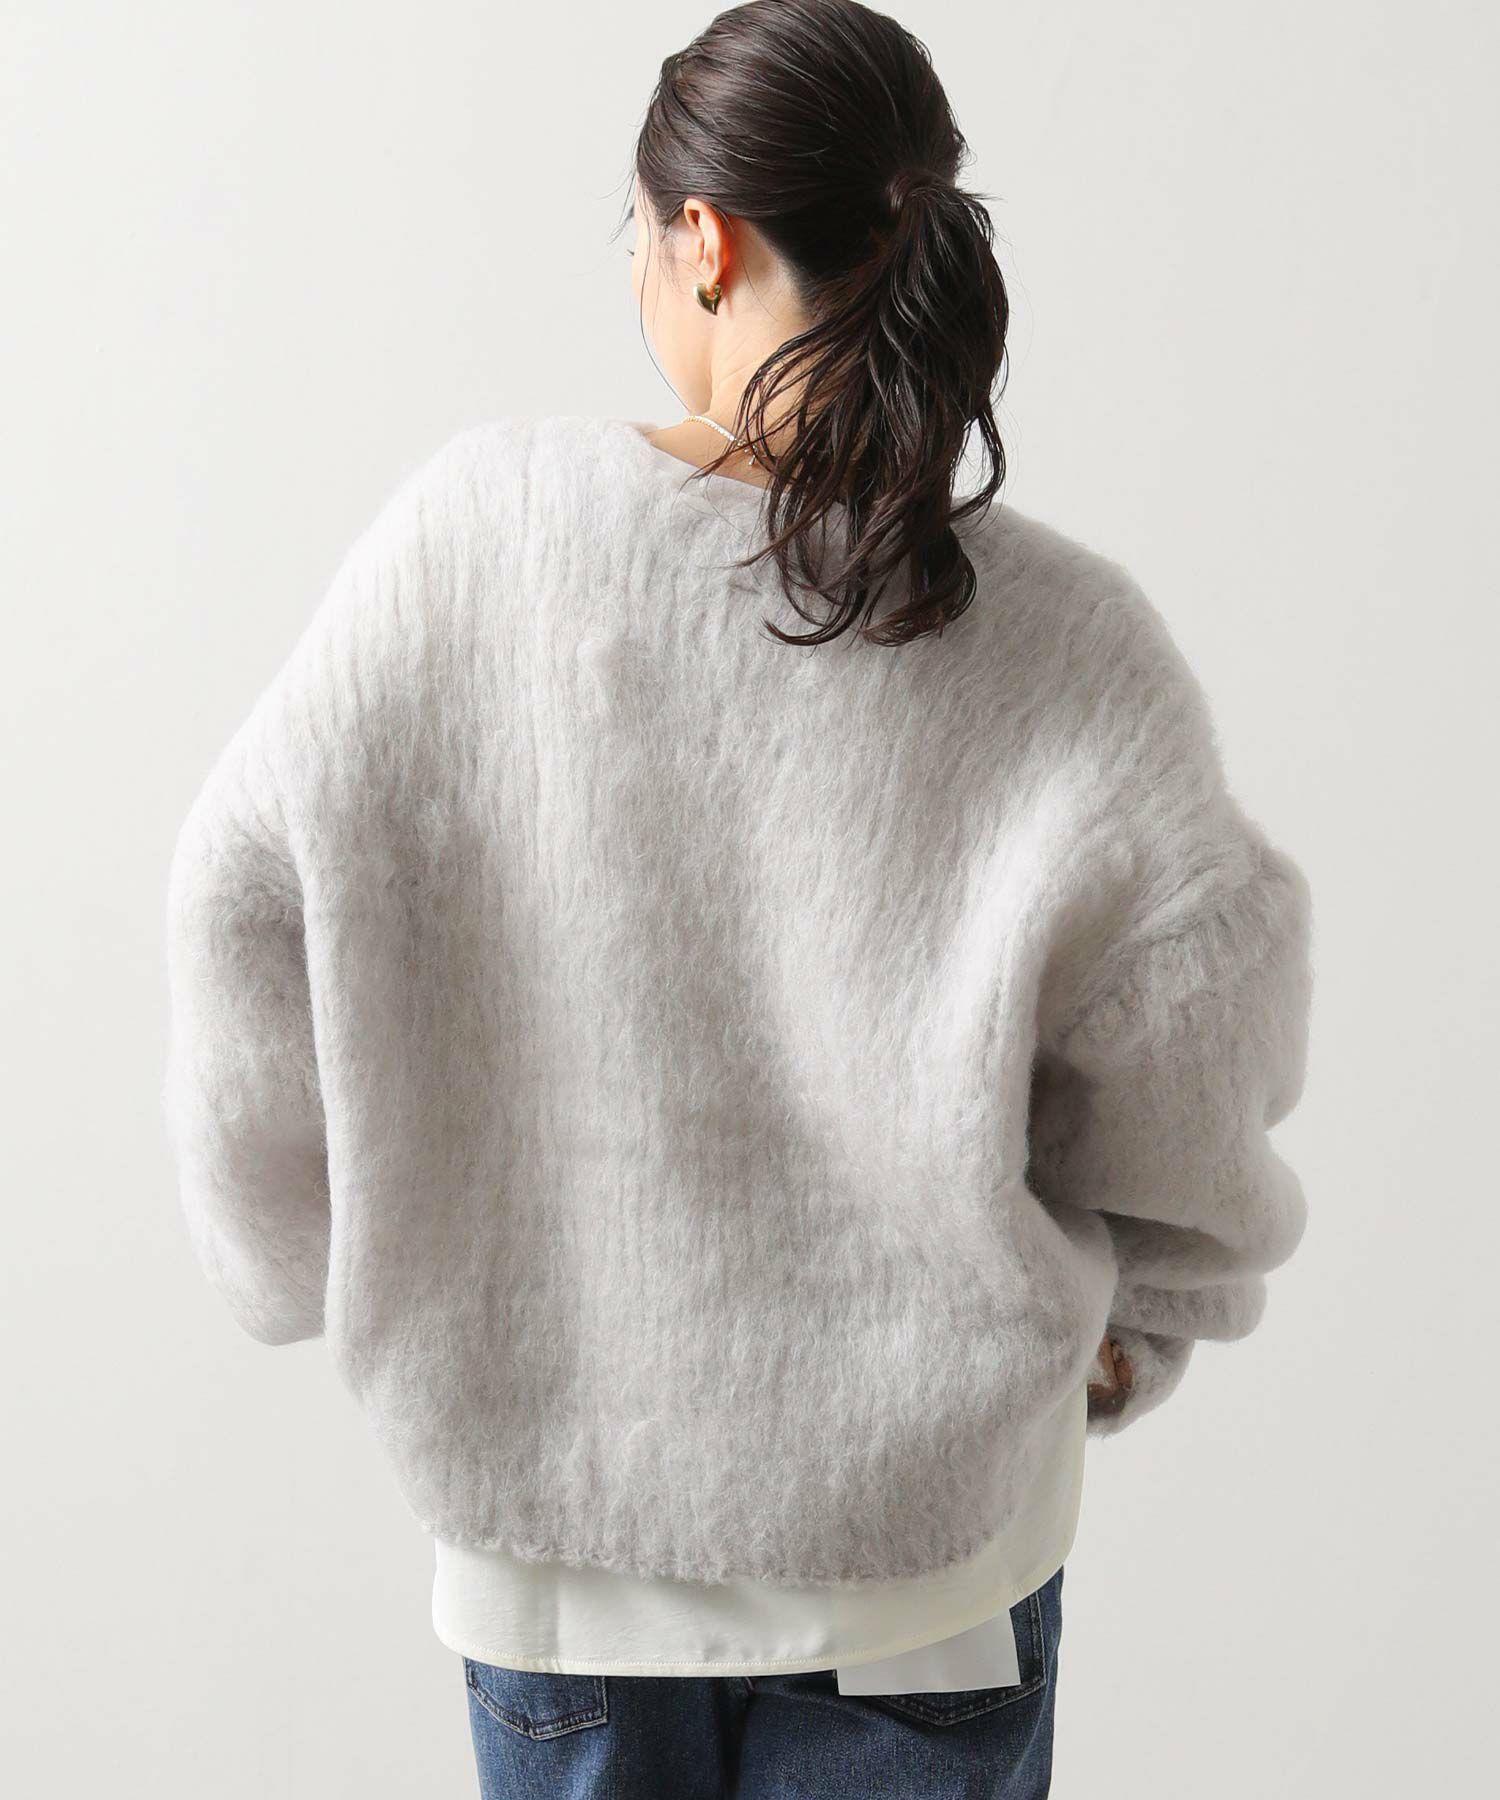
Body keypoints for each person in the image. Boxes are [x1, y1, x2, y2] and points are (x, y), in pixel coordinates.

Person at [161, 4, 1314, 1796]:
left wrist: (321, 1257)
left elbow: (239, 896)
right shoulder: (1068, 643)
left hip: (555, 1563)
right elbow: (1200, 984)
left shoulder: (471, 541)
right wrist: (1147, 1312)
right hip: (930, 1571)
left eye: (635, 233)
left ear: (699, 237)